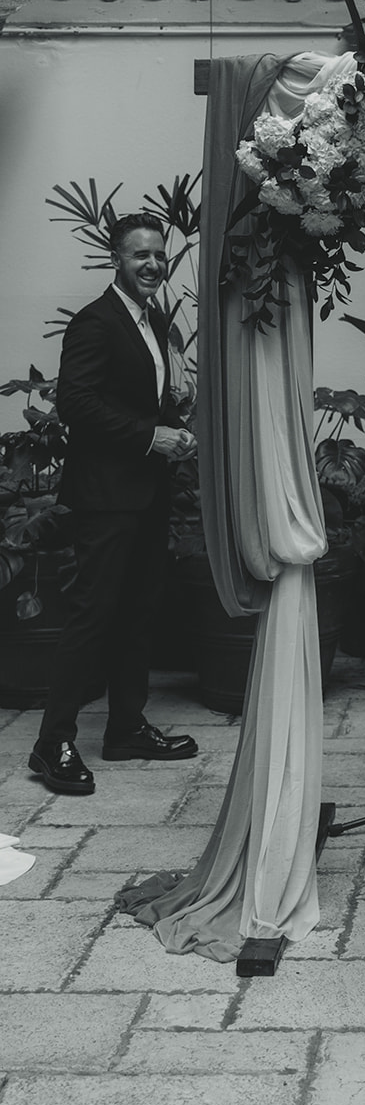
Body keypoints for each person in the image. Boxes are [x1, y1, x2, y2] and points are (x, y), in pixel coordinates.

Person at [29, 213, 199, 797]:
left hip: (147, 492)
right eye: (138, 255)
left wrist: (175, 426)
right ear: (116, 260)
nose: (151, 264)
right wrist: (150, 436)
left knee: (138, 612)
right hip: (106, 497)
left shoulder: (151, 318)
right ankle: (53, 743)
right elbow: (75, 403)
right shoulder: (96, 321)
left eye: (158, 254)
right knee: (92, 617)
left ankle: (125, 729)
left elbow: (136, 398)